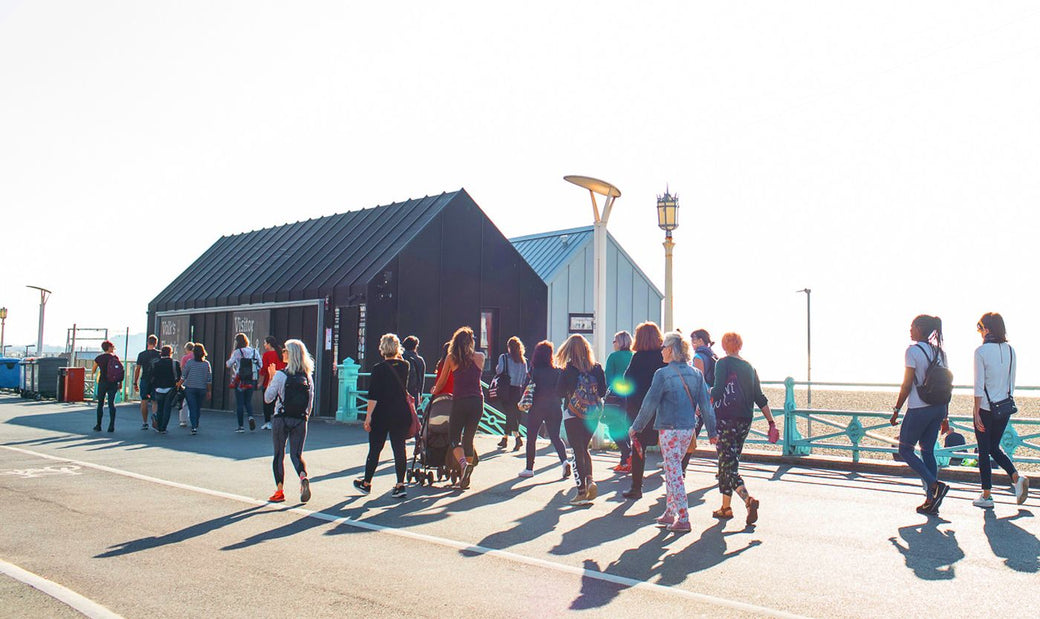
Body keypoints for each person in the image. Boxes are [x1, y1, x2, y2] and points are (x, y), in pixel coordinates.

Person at [630, 332, 717, 532]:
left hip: (669, 429)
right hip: (688, 428)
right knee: (673, 469)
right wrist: (712, 431)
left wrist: (636, 427)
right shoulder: (696, 374)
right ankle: (670, 513)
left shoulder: (662, 374)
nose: (661, 350)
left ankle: (684, 517)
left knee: (674, 471)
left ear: (670, 350)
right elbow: (705, 404)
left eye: (664, 347)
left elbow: (649, 403)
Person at [711, 332, 776, 526]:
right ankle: (725, 507)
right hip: (745, 420)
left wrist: (703, 404)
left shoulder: (722, 363)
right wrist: (771, 422)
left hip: (726, 419)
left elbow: (718, 390)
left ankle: (748, 500)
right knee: (730, 461)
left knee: (726, 464)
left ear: (724, 346)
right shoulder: (749, 367)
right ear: (740, 346)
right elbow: (760, 397)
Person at [890, 315, 952, 515]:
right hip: (938, 408)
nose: (910, 330)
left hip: (919, 408)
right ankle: (930, 501)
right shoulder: (940, 352)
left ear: (920, 328)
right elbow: (946, 387)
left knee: (905, 450)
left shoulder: (913, 351)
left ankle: (935, 486)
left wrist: (897, 409)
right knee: (927, 452)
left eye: (912, 326)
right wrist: (945, 417)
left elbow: (907, 384)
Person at [971, 313, 1030, 508]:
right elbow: (1011, 383)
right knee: (994, 447)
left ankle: (986, 495)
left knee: (983, 451)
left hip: (987, 408)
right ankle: (1016, 477)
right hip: (1004, 407)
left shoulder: (981, 351)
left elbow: (979, 385)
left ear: (987, 328)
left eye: (980, 327)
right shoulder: (1011, 350)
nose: (979, 331)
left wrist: (976, 410)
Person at [353, 334, 412, 498]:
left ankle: (366, 483)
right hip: (400, 412)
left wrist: (368, 416)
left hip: (381, 413)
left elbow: (373, 395)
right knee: (399, 448)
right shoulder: (405, 366)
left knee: (375, 449)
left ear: (382, 349)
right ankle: (400, 484)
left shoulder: (378, 368)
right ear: (397, 348)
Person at [431, 326, 485, 490]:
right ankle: (465, 474)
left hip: (460, 401)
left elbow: (441, 381)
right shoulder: (480, 357)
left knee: (454, 436)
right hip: (477, 401)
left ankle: (463, 465)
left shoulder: (451, 358)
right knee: (469, 438)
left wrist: (435, 391)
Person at [556, 334, 607, 505]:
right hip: (593, 414)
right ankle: (590, 480)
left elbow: (559, 392)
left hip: (573, 414)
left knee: (577, 450)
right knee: (585, 449)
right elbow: (602, 392)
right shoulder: (597, 368)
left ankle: (581, 492)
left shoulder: (568, 369)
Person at [265, 339, 315, 503]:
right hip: (300, 419)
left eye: (285, 351)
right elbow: (310, 401)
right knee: (296, 454)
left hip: (281, 417)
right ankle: (302, 477)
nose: (283, 353)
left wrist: (272, 378)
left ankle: (279, 491)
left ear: (291, 355)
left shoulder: (281, 375)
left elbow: (268, 398)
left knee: (279, 454)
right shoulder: (307, 376)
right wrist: (305, 416)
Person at [622, 322, 667, 500]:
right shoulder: (662, 357)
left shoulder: (638, 358)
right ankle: (673, 491)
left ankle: (636, 487)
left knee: (639, 448)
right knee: (669, 449)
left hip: (640, 410)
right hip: (662, 409)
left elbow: (627, 381)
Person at [518, 341, 569, 479]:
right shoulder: (558, 371)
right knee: (555, 437)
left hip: (537, 407)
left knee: (532, 437)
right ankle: (565, 462)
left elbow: (526, 388)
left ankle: (529, 469)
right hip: (554, 406)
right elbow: (563, 391)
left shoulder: (534, 371)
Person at [604, 331, 634, 472]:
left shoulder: (613, 357)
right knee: (627, 427)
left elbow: (608, 378)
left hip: (616, 397)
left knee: (613, 427)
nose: (613, 343)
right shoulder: (633, 356)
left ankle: (626, 453)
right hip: (632, 396)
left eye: (615, 341)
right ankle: (626, 460)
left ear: (620, 342)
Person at [495, 337, 527, 451]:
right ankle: (505, 438)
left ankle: (518, 438)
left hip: (506, 389)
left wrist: (497, 367)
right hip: (518, 390)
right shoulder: (523, 361)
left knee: (510, 414)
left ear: (509, 347)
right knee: (512, 414)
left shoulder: (503, 358)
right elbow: (524, 377)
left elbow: (499, 371)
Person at [226, 332, 262, 433]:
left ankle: (241, 426)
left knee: (240, 403)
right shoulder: (254, 351)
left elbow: (229, 364)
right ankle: (250, 416)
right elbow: (260, 364)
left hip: (240, 380)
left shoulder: (237, 352)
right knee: (248, 401)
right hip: (251, 379)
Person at [91, 340, 123, 432]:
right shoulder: (115, 357)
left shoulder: (99, 358)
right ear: (109, 348)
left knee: (100, 403)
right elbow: (119, 371)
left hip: (102, 382)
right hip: (113, 383)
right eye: (112, 347)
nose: (113, 349)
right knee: (111, 404)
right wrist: (120, 382)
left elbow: (93, 370)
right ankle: (111, 426)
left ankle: (98, 425)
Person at [150, 346, 182, 434]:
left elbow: (152, 376)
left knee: (159, 408)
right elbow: (179, 376)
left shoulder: (155, 363)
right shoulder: (175, 363)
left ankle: (159, 426)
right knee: (167, 408)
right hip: (170, 388)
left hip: (158, 388)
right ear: (170, 353)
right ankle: (163, 427)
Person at [181, 343, 212, 435]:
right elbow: (209, 379)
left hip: (190, 388)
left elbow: (184, 375)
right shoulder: (206, 364)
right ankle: (196, 422)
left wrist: (179, 384)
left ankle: (194, 426)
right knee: (197, 407)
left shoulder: (190, 362)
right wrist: (209, 391)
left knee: (192, 407)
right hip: (201, 388)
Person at [134, 335, 161, 431]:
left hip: (145, 379)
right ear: (156, 343)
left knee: (144, 400)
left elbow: (137, 369)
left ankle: (145, 422)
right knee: (155, 401)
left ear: (147, 343)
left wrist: (135, 382)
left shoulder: (142, 354)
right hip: (156, 380)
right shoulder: (159, 354)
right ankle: (155, 419)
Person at [260, 336, 285, 431]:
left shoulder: (267, 355)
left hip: (269, 381)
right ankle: (277, 421)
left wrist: (260, 382)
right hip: (281, 380)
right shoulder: (281, 353)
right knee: (278, 402)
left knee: (267, 403)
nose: (264, 345)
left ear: (269, 344)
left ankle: (267, 422)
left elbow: (263, 370)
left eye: (265, 343)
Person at [402, 336, 427, 409]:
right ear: (415, 346)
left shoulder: (400, 358)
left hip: (401, 392)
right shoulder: (420, 360)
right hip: (414, 392)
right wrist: (420, 394)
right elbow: (421, 380)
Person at [177, 342, 195, 428]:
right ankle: (194, 419)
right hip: (196, 381)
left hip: (186, 380)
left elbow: (182, 369)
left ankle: (183, 420)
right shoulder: (197, 357)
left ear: (187, 349)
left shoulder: (185, 358)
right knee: (194, 401)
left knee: (184, 401)